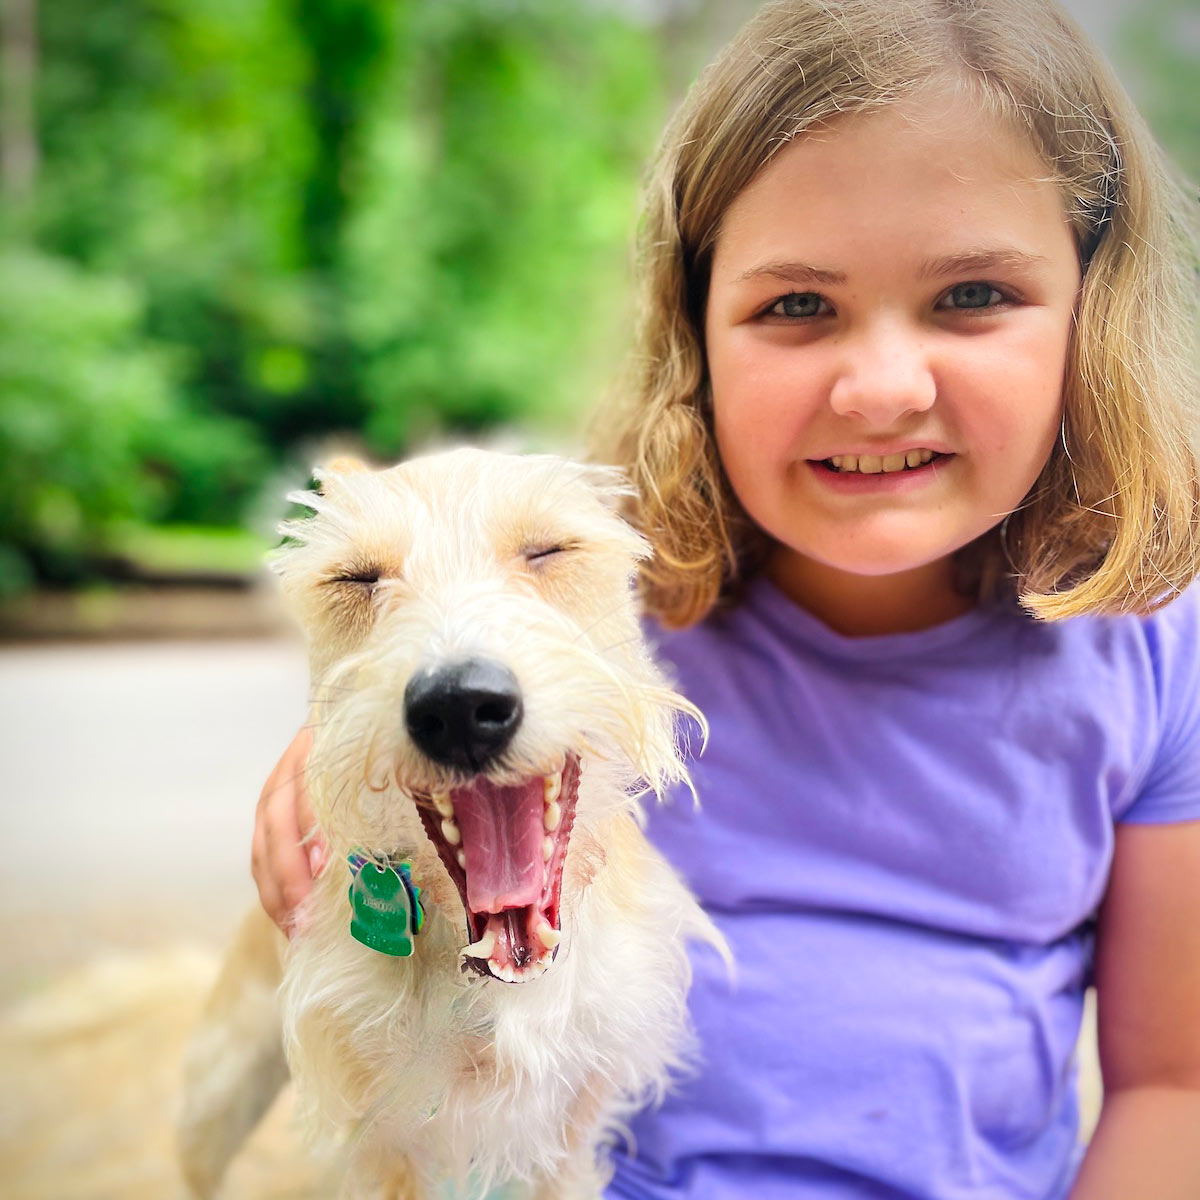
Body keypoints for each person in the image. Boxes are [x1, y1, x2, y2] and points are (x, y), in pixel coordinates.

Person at [251, 1, 1200, 1196]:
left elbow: (1174, 1087)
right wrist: (336, 769)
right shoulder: (594, 602)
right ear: (693, 330)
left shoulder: (1158, 654)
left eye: (971, 295)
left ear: (1094, 310)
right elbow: (414, 682)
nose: (881, 388)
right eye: (797, 305)